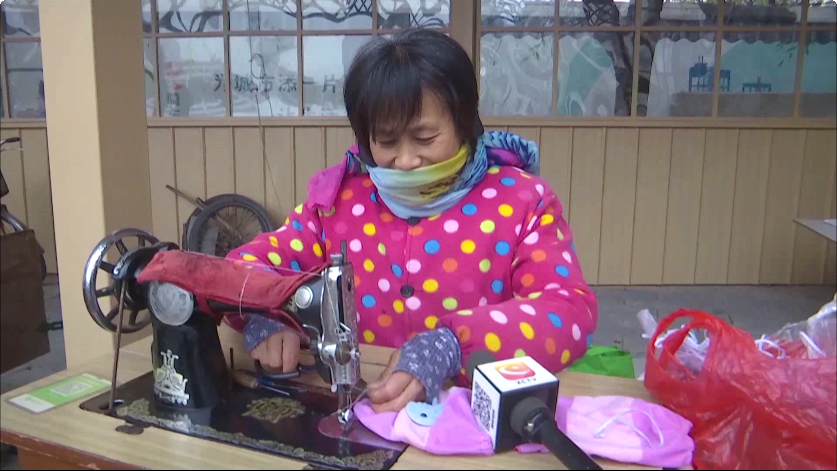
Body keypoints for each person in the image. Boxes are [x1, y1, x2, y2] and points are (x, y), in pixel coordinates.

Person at [224, 29, 597, 413]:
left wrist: (452, 346)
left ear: (465, 124)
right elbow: (238, 270)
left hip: (471, 418)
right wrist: (261, 311)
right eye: (386, 142)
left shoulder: (522, 202)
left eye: (425, 138)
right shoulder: (336, 206)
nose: (405, 161)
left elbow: (567, 312)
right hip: (365, 411)